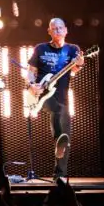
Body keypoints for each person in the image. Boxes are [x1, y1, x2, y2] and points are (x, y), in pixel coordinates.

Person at [27, 17, 87, 180]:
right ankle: (58, 139)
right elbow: (31, 70)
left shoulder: (72, 49)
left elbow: (74, 71)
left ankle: (60, 175)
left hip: (61, 96)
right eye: (54, 28)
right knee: (56, 108)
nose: (58, 30)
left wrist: (79, 64)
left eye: (61, 28)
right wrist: (32, 84)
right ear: (49, 31)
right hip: (41, 95)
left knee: (66, 135)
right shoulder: (40, 49)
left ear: (66, 30)